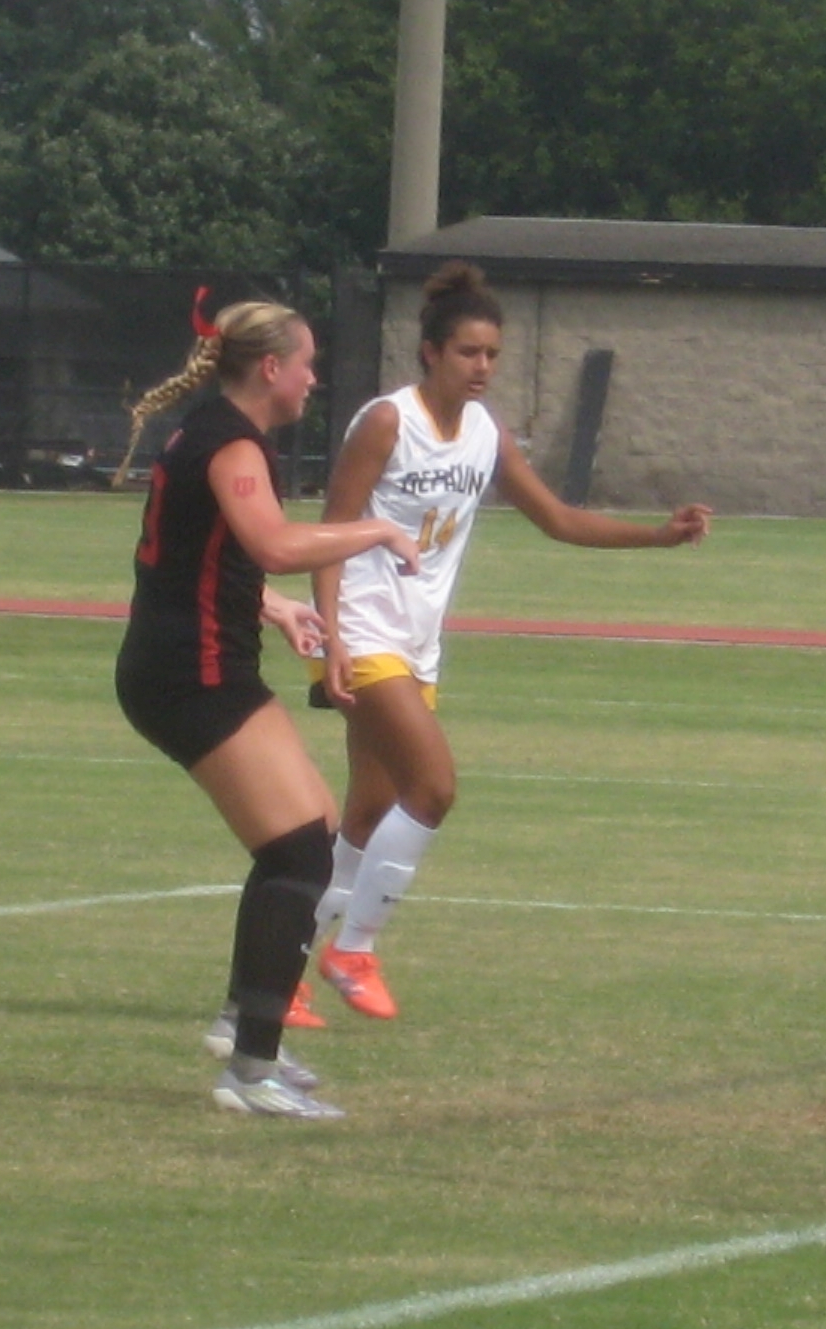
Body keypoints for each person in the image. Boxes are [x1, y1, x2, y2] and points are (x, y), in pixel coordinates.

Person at [304, 261, 711, 1019]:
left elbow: (558, 518)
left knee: (367, 815)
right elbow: (330, 532)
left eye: (492, 353)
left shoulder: (484, 433)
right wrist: (330, 640)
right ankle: (353, 949)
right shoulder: (389, 423)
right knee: (433, 788)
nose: (483, 366)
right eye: (468, 351)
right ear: (430, 352)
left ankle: (275, 977)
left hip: (416, 645)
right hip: (364, 630)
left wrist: (657, 536)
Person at [117, 298, 418, 1119]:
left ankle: (243, 1027)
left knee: (309, 836)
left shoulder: (215, 433)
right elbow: (275, 543)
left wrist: (274, 606)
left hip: (194, 664)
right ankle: (251, 1069)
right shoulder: (231, 442)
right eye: (307, 363)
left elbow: (199, 558)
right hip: (191, 675)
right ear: (271, 368)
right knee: (297, 852)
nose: (314, 379)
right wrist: (375, 530)